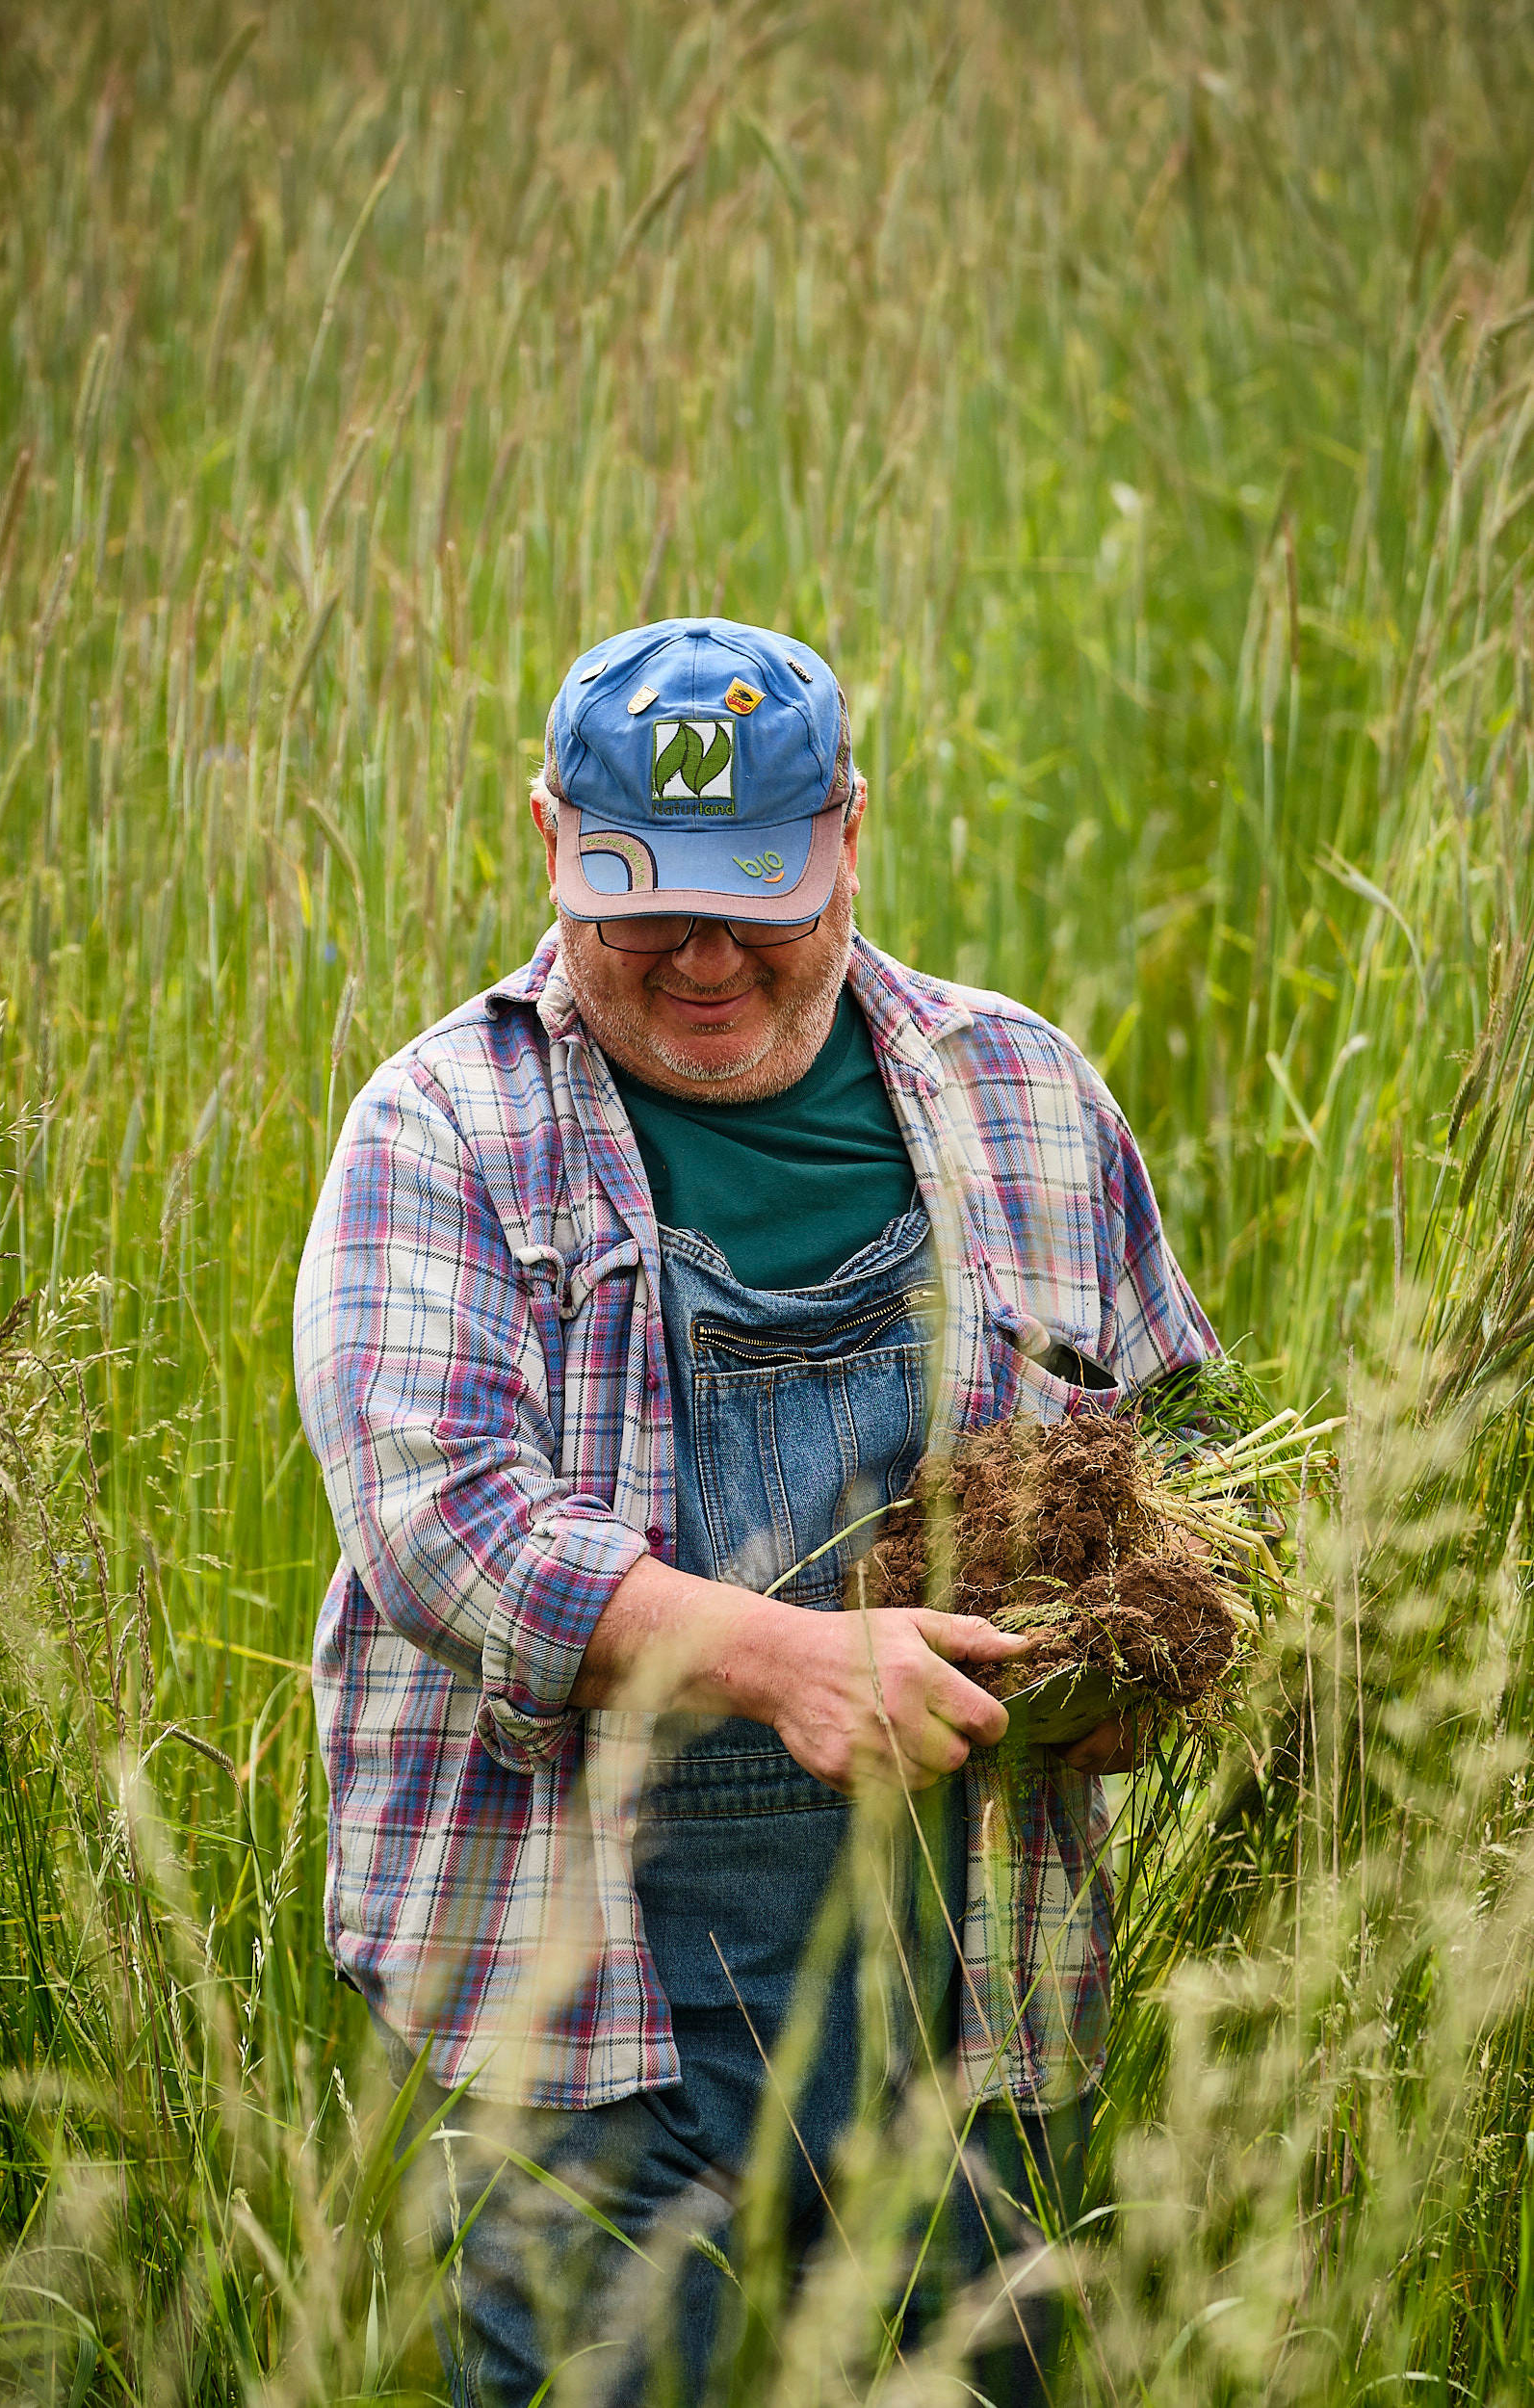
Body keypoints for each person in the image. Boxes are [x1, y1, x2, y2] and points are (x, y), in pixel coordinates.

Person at [294, 617, 1218, 2403]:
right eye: (644, 907)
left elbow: (1172, 1440)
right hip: (587, 2023)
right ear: (551, 839)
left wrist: (1130, 1663)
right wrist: (793, 1663)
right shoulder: (444, 1132)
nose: (704, 959)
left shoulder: (1025, 1093)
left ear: (851, 835)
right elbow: (439, 1517)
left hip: (979, 2001)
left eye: (756, 899)